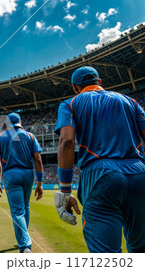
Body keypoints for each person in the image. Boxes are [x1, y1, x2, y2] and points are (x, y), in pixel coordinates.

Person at [54, 66, 145, 253]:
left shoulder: (70, 103)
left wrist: (64, 191)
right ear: (100, 82)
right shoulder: (131, 101)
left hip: (101, 175)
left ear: (75, 87)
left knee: (106, 256)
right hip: (139, 172)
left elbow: (67, 141)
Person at [0, 113, 44, 253]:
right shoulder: (30, 136)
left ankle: (25, 245)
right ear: (20, 122)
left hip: (10, 175)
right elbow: (38, 160)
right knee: (25, 206)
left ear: (7, 123)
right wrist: (40, 183)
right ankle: (25, 237)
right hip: (28, 174)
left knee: (17, 211)